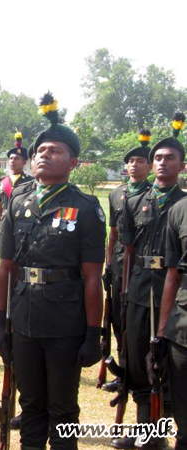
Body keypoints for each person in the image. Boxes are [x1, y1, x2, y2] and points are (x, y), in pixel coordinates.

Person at [0, 93, 106, 450]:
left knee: (62, 409)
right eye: (40, 150)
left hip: (65, 322)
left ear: (73, 162)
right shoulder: (18, 201)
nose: (44, 155)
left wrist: (93, 333)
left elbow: (93, 276)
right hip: (24, 318)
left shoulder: (85, 208)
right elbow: (6, 267)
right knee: (30, 405)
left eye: (54, 151)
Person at [116, 112, 186, 449]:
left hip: (174, 291)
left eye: (170, 158)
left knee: (170, 363)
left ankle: (166, 427)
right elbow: (128, 251)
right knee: (138, 359)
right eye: (157, 157)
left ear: (181, 166)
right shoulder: (134, 202)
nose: (162, 163)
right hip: (141, 288)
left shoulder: (183, 204)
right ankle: (145, 426)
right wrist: (125, 292)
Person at [101, 130, 152, 393]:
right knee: (118, 318)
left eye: (140, 161)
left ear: (149, 166)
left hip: (142, 265)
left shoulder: (152, 194)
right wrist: (109, 263)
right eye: (130, 161)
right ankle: (123, 372)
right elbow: (112, 232)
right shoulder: (116, 193)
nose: (134, 165)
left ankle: (141, 371)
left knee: (139, 321)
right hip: (120, 263)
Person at [154, 177, 187, 450]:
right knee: (184, 421)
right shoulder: (180, 210)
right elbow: (172, 275)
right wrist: (162, 333)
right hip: (183, 329)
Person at [0, 132, 33, 247]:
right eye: (11, 158)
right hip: (5, 224)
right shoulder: (3, 181)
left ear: (24, 162)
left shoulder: (31, 182)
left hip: (23, 224)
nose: (12, 161)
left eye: (16, 158)